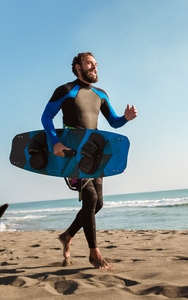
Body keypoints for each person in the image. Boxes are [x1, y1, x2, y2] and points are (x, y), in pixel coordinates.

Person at [41, 52, 137, 270]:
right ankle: (94, 254)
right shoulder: (66, 90)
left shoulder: (101, 94)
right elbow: (46, 117)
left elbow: (113, 122)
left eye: (96, 64)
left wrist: (126, 118)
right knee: (91, 198)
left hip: (94, 152)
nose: (94, 67)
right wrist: (55, 142)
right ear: (77, 67)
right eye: (89, 64)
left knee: (98, 203)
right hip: (73, 152)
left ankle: (67, 235)